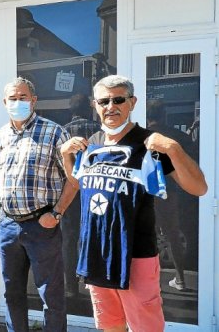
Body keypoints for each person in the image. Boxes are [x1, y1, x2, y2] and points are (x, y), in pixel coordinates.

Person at [60, 75, 207, 332]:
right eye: (104, 101)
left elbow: (199, 187)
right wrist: (65, 156)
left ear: (132, 102)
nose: (111, 106)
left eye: (118, 99)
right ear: (95, 105)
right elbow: (78, 185)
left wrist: (174, 148)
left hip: (137, 254)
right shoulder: (92, 143)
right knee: (110, 326)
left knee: (145, 328)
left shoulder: (149, 143)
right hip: (97, 252)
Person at [0, 77, 75, 332]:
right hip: (8, 226)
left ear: (34, 100)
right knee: (12, 294)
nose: (17, 102)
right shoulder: (0, 136)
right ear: (4, 102)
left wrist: (56, 214)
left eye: (23, 97)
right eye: (12, 98)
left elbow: (73, 180)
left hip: (42, 225)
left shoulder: (55, 132)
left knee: (52, 296)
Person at [146, 99, 197, 291]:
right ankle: (180, 278)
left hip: (147, 194)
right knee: (173, 236)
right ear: (164, 115)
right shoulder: (177, 136)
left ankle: (151, 282)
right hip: (171, 192)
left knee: (148, 237)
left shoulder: (142, 137)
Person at [61, 94, 101, 298]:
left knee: (69, 238)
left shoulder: (64, 131)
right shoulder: (99, 130)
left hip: (70, 191)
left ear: (71, 110)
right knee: (93, 235)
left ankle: (70, 287)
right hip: (95, 190)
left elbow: (60, 166)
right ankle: (92, 281)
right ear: (89, 108)